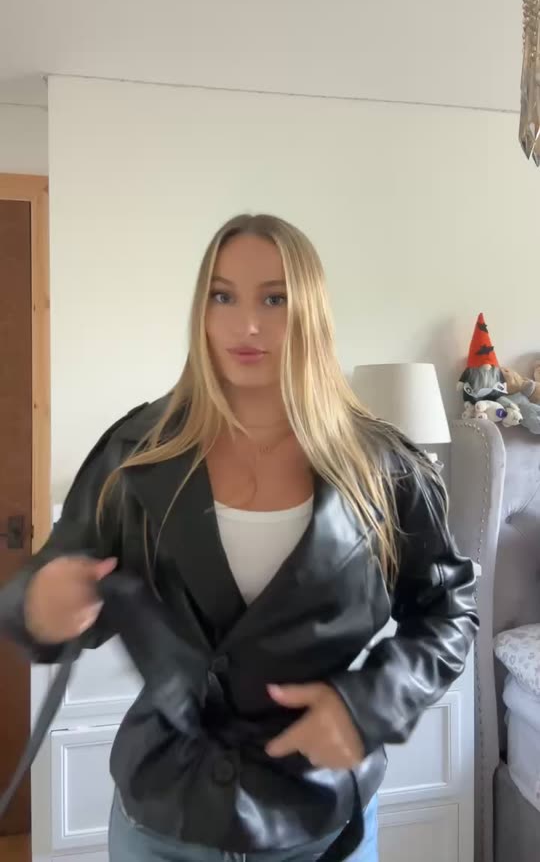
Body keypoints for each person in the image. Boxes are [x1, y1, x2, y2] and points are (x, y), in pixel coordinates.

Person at [0, 213, 478, 862]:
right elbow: (43, 583)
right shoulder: (136, 453)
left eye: (273, 300)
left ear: (310, 312)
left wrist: (369, 703)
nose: (245, 324)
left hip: (321, 821)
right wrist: (40, 604)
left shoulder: (385, 468)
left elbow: (448, 610)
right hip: (163, 816)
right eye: (222, 297)